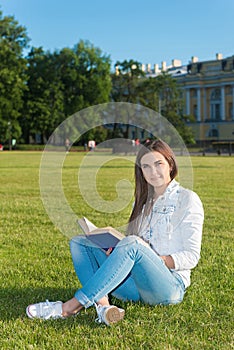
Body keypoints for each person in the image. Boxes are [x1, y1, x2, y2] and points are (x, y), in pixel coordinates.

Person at [26, 139, 204, 325]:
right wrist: (116, 250)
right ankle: (104, 307)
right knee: (79, 243)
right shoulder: (142, 202)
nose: (153, 172)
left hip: (169, 287)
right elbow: (134, 246)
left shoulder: (187, 199)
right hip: (134, 286)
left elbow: (192, 256)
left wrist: (155, 259)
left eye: (158, 164)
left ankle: (70, 307)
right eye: (146, 166)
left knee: (132, 244)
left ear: (170, 164)